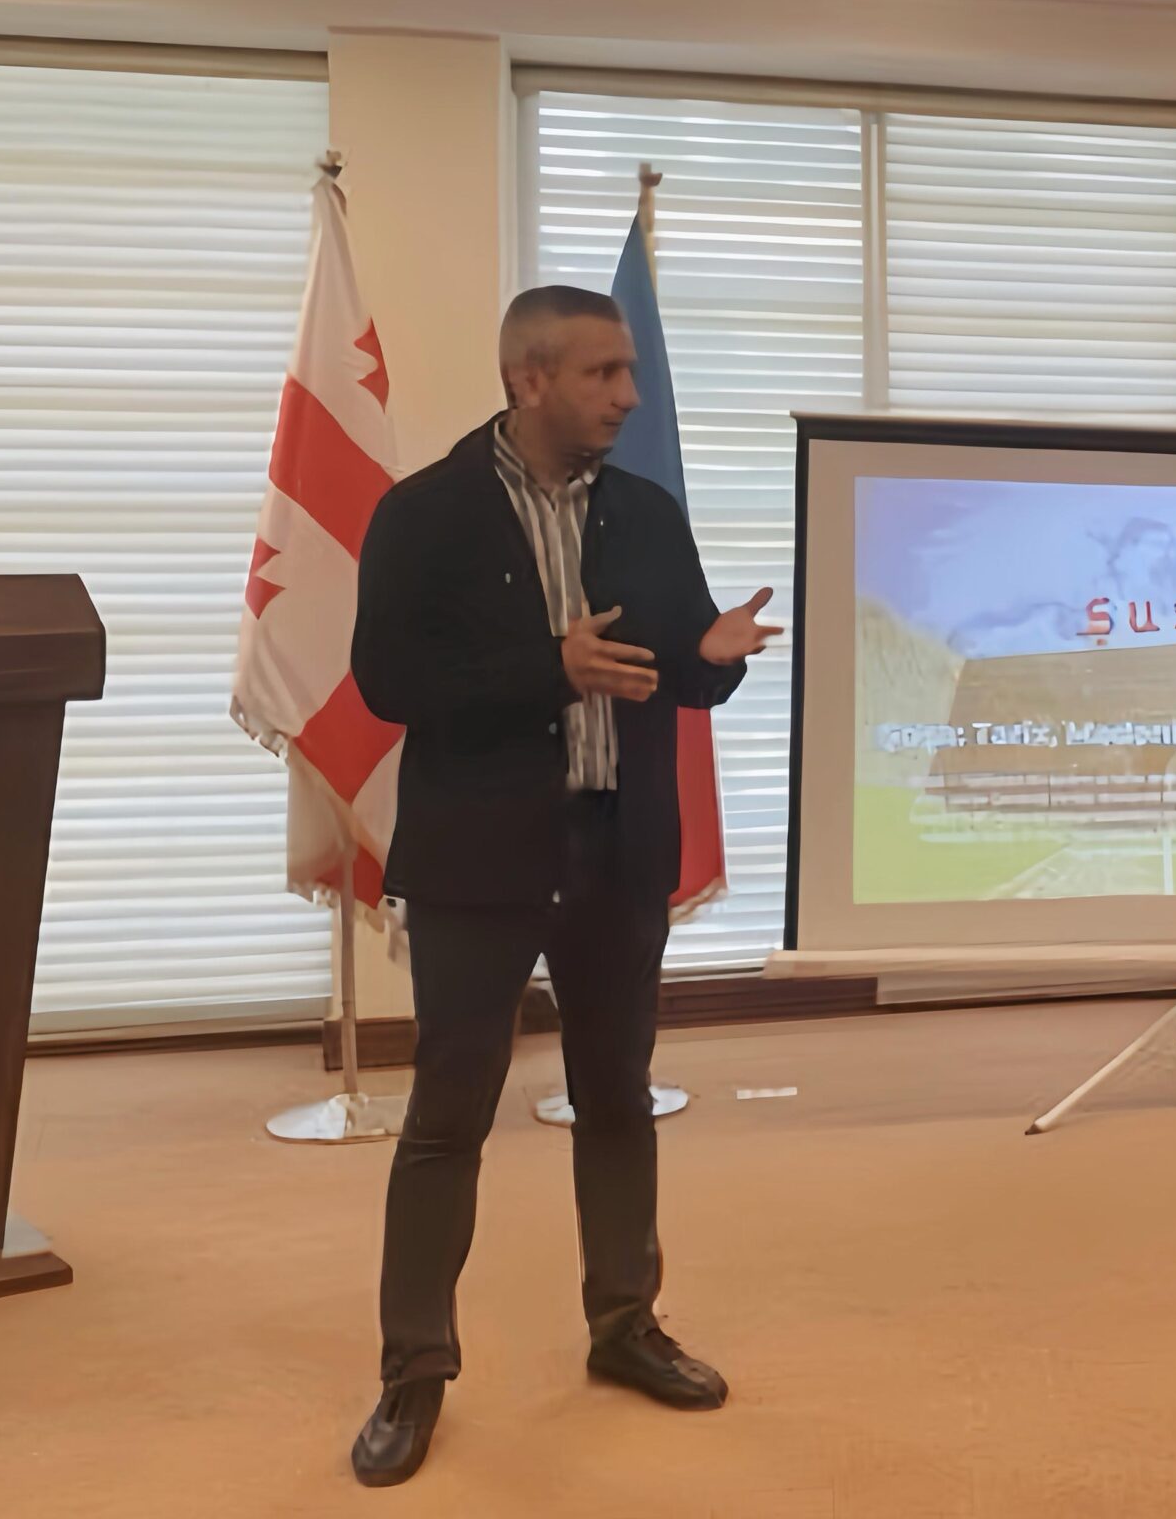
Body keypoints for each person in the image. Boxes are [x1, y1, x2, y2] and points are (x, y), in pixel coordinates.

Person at [345, 286, 782, 1486]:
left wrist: (712, 659)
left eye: (629, 372)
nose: (628, 396)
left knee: (617, 1098)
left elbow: (675, 666)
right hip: (479, 859)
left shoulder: (646, 512)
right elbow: (387, 679)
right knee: (449, 1116)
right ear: (528, 379)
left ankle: (624, 1324)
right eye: (602, 374)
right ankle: (413, 1369)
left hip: (616, 851)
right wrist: (550, 667)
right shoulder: (424, 513)